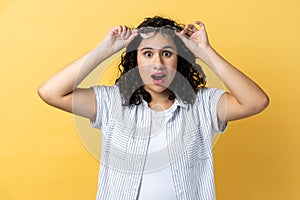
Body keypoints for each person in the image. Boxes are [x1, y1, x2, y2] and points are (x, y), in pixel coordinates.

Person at [38, 16, 269, 200]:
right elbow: (50, 92)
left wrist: (205, 51)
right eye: (147, 53)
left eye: (167, 53)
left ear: (180, 60)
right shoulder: (112, 102)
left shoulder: (203, 105)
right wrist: (106, 48)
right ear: (135, 61)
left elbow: (255, 101)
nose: (158, 63)